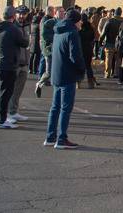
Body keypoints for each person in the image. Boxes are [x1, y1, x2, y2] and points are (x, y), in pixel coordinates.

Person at [45, 9, 86, 149]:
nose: (81, 23)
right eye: (80, 20)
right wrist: (82, 69)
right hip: (68, 74)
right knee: (65, 108)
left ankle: (50, 137)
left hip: (57, 73)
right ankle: (62, 139)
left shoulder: (58, 31)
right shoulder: (72, 33)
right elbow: (75, 56)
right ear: (75, 21)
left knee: (55, 107)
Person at [0, 6, 29, 129]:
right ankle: (2, 120)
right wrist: (28, 38)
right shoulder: (13, 29)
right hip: (8, 65)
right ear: (13, 17)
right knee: (5, 93)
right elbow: (24, 43)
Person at [8, 5, 32, 123]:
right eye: (20, 13)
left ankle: (14, 111)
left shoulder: (28, 26)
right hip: (15, 63)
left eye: (24, 14)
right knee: (10, 89)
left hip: (25, 62)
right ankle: (7, 113)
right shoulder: (13, 26)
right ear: (15, 14)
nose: (22, 16)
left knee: (18, 90)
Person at [78, 12, 97, 89]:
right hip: (88, 48)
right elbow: (93, 38)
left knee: (79, 66)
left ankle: (78, 83)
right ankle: (90, 83)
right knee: (88, 66)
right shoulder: (91, 28)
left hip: (80, 48)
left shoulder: (79, 28)